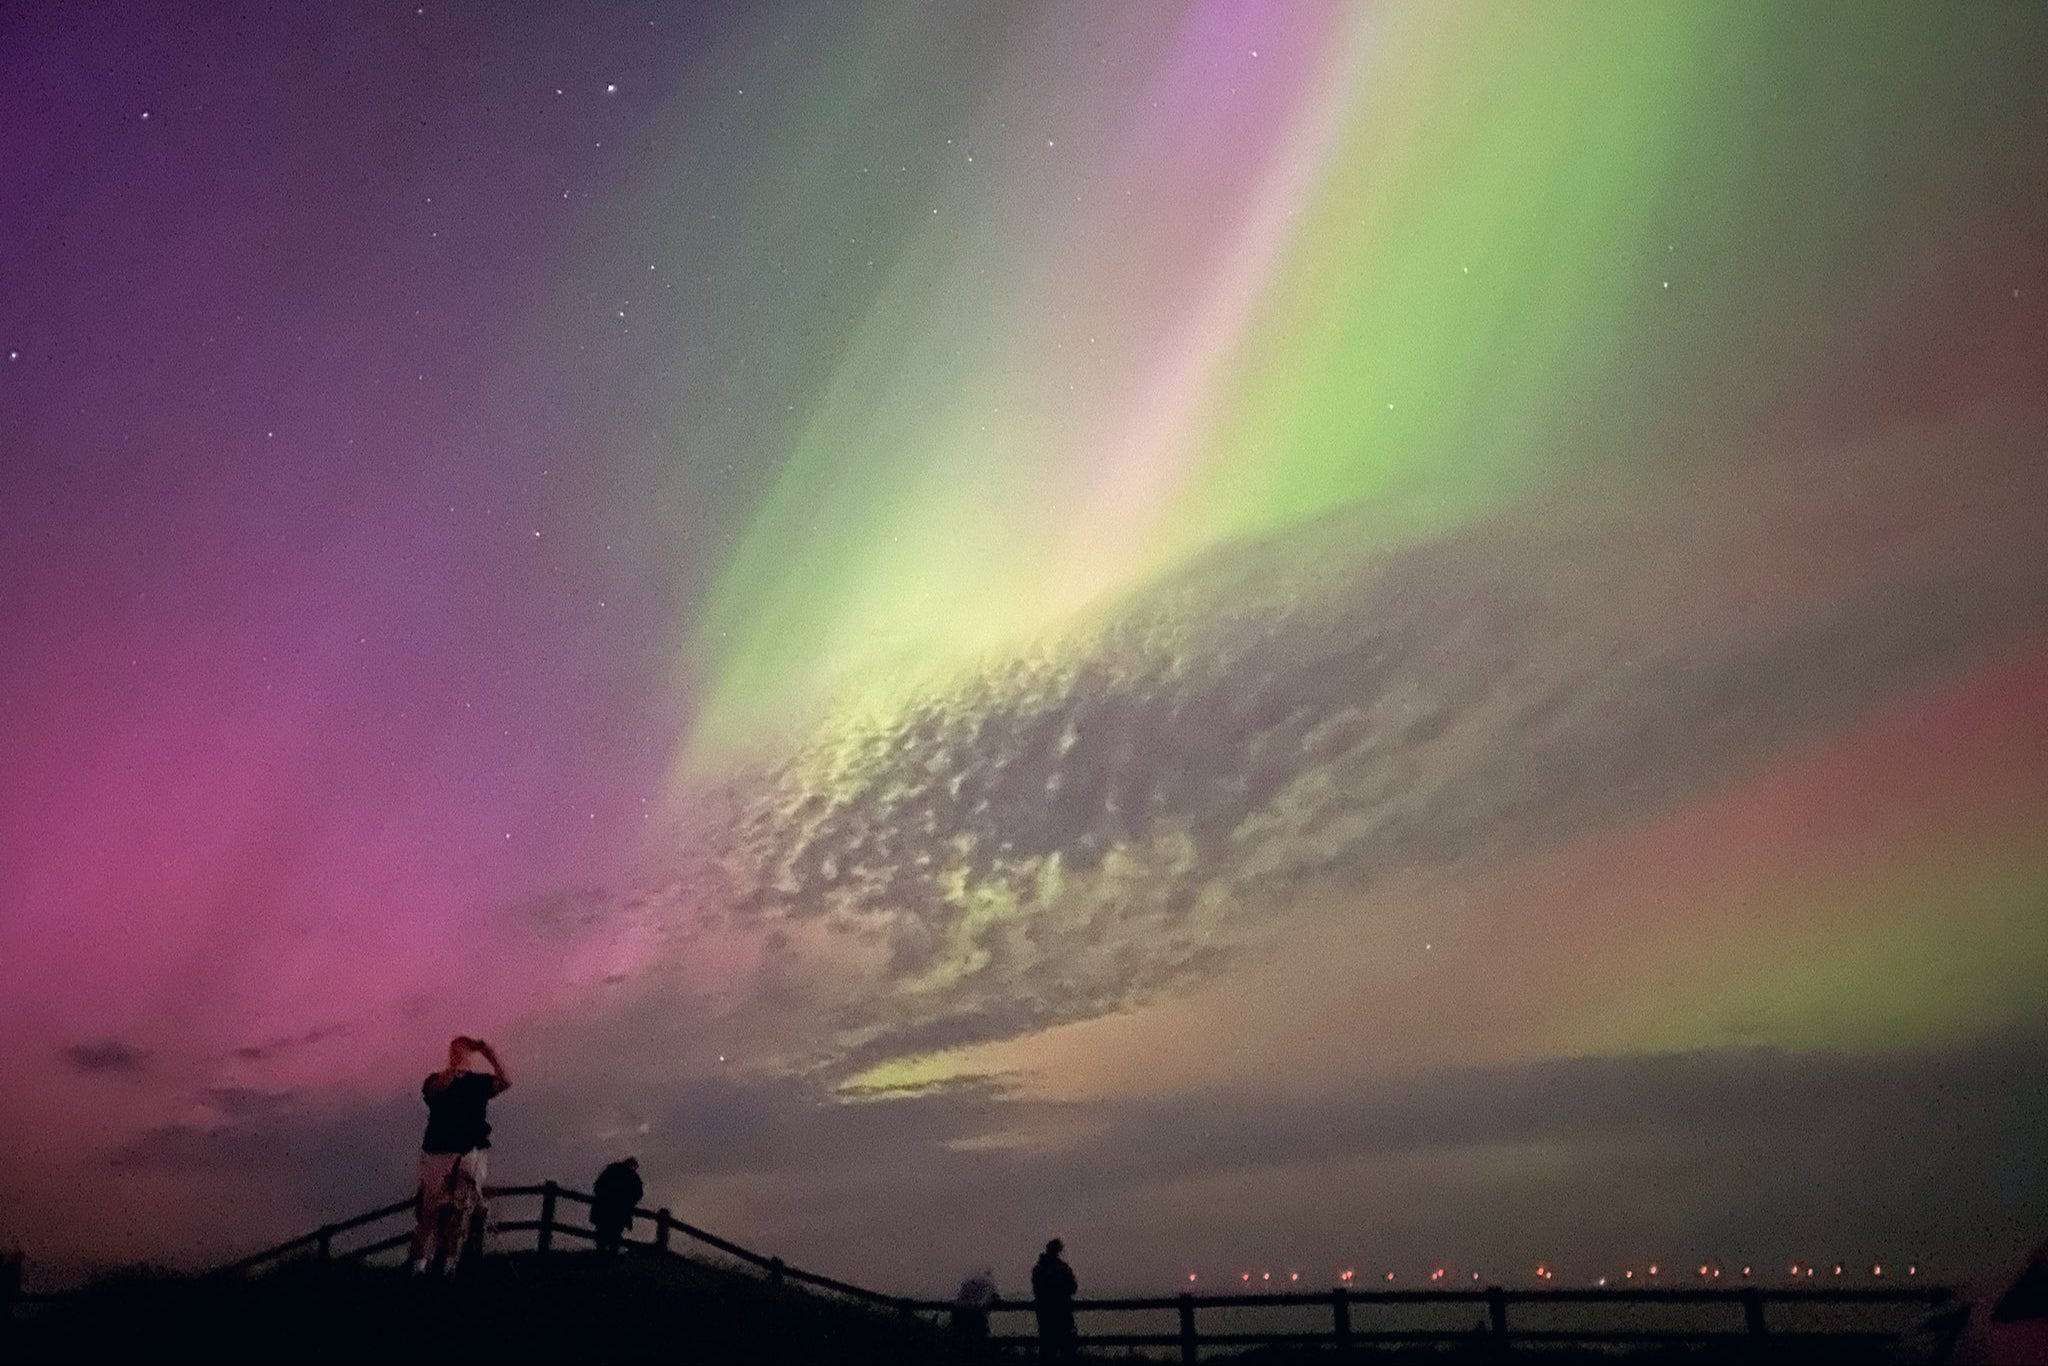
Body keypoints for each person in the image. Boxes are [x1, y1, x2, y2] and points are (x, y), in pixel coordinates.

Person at [407, 1036, 510, 1277]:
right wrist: (454, 1069)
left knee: (461, 1211)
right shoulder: (435, 1080)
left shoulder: (478, 1083)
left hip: (469, 1152)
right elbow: (436, 1089)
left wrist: (491, 1054)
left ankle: (450, 1266)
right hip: (437, 1153)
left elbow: (505, 1082)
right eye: (456, 1052)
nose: (459, 1056)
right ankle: (420, 1266)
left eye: (462, 1053)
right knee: (429, 1212)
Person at [1031, 1238, 1079, 1363]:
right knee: (1066, 1350)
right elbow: (1073, 1287)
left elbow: (1037, 1290)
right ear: (1059, 1250)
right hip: (1062, 1314)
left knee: (1047, 1351)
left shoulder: (1039, 1269)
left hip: (1045, 1315)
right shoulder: (1063, 1268)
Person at [590, 1157, 644, 1254]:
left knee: (603, 1232)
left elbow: (598, 1186)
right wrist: (629, 1202)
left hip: (605, 1208)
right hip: (619, 1210)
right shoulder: (631, 1176)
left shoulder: (612, 1170)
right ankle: (609, 1254)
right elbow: (638, 1193)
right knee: (614, 1233)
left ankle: (601, 1253)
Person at [951, 1268, 997, 1339]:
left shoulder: (970, 1280)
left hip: (960, 1312)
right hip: (976, 1314)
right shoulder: (989, 1282)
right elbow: (992, 1297)